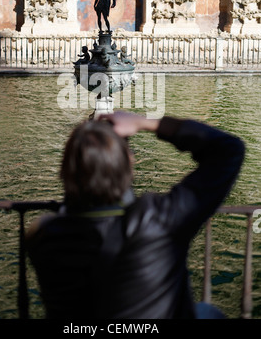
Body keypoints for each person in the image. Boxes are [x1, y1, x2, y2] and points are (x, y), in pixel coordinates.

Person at [26, 111, 245, 319]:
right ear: (128, 166)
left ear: (65, 171)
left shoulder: (43, 235)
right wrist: (145, 123)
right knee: (207, 312)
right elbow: (228, 148)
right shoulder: (158, 220)